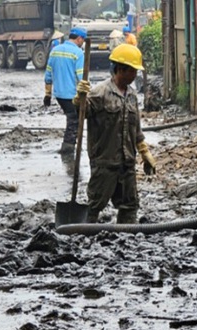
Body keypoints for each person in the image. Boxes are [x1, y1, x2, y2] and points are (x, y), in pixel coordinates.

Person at [74, 43, 157, 224]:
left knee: (130, 205)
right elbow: (83, 113)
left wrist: (145, 152)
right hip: (105, 162)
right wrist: (79, 99)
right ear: (120, 69)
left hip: (127, 162)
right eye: (132, 71)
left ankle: (126, 239)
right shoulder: (100, 92)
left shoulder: (132, 95)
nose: (135, 75)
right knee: (95, 204)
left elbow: (136, 128)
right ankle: (84, 236)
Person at [44, 27, 88, 155]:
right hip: (72, 94)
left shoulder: (55, 51)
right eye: (83, 40)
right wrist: (86, 95)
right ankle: (68, 149)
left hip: (59, 94)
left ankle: (71, 145)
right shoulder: (78, 53)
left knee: (74, 118)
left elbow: (48, 75)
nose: (83, 42)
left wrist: (47, 94)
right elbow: (81, 78)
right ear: (79, 39)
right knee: (74, 119)